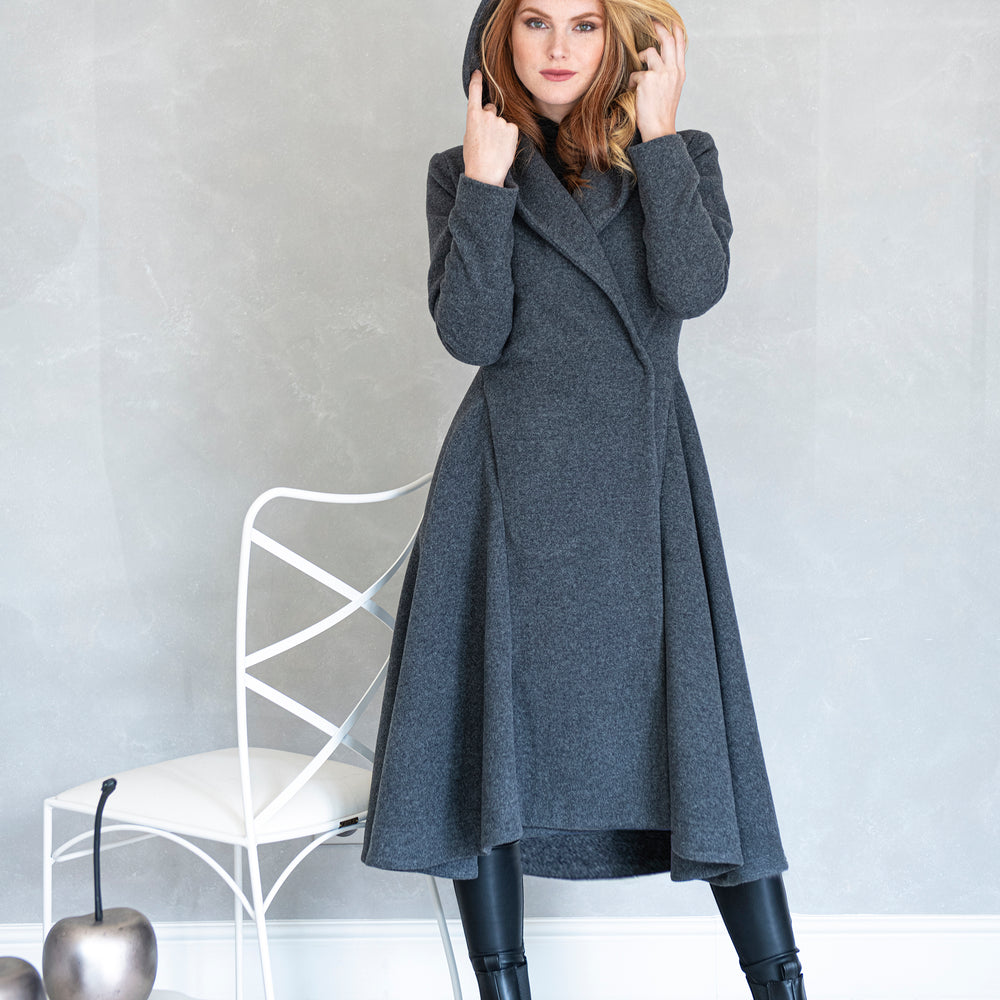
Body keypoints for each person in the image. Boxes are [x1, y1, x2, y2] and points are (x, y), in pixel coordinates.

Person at [361, 1, 808, 997]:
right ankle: (503, 986)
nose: (559, 47)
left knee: (706, 744)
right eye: (534, 22)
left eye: (585, 24)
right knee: (493, 741)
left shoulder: (678, 156)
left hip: (643, 485)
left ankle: (781, 983)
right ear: (499, 39)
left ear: (621, 41)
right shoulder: (461, 170)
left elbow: (692, 289)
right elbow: (473, 336)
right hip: (504, 490)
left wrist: (660, 135)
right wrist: (484, 186)